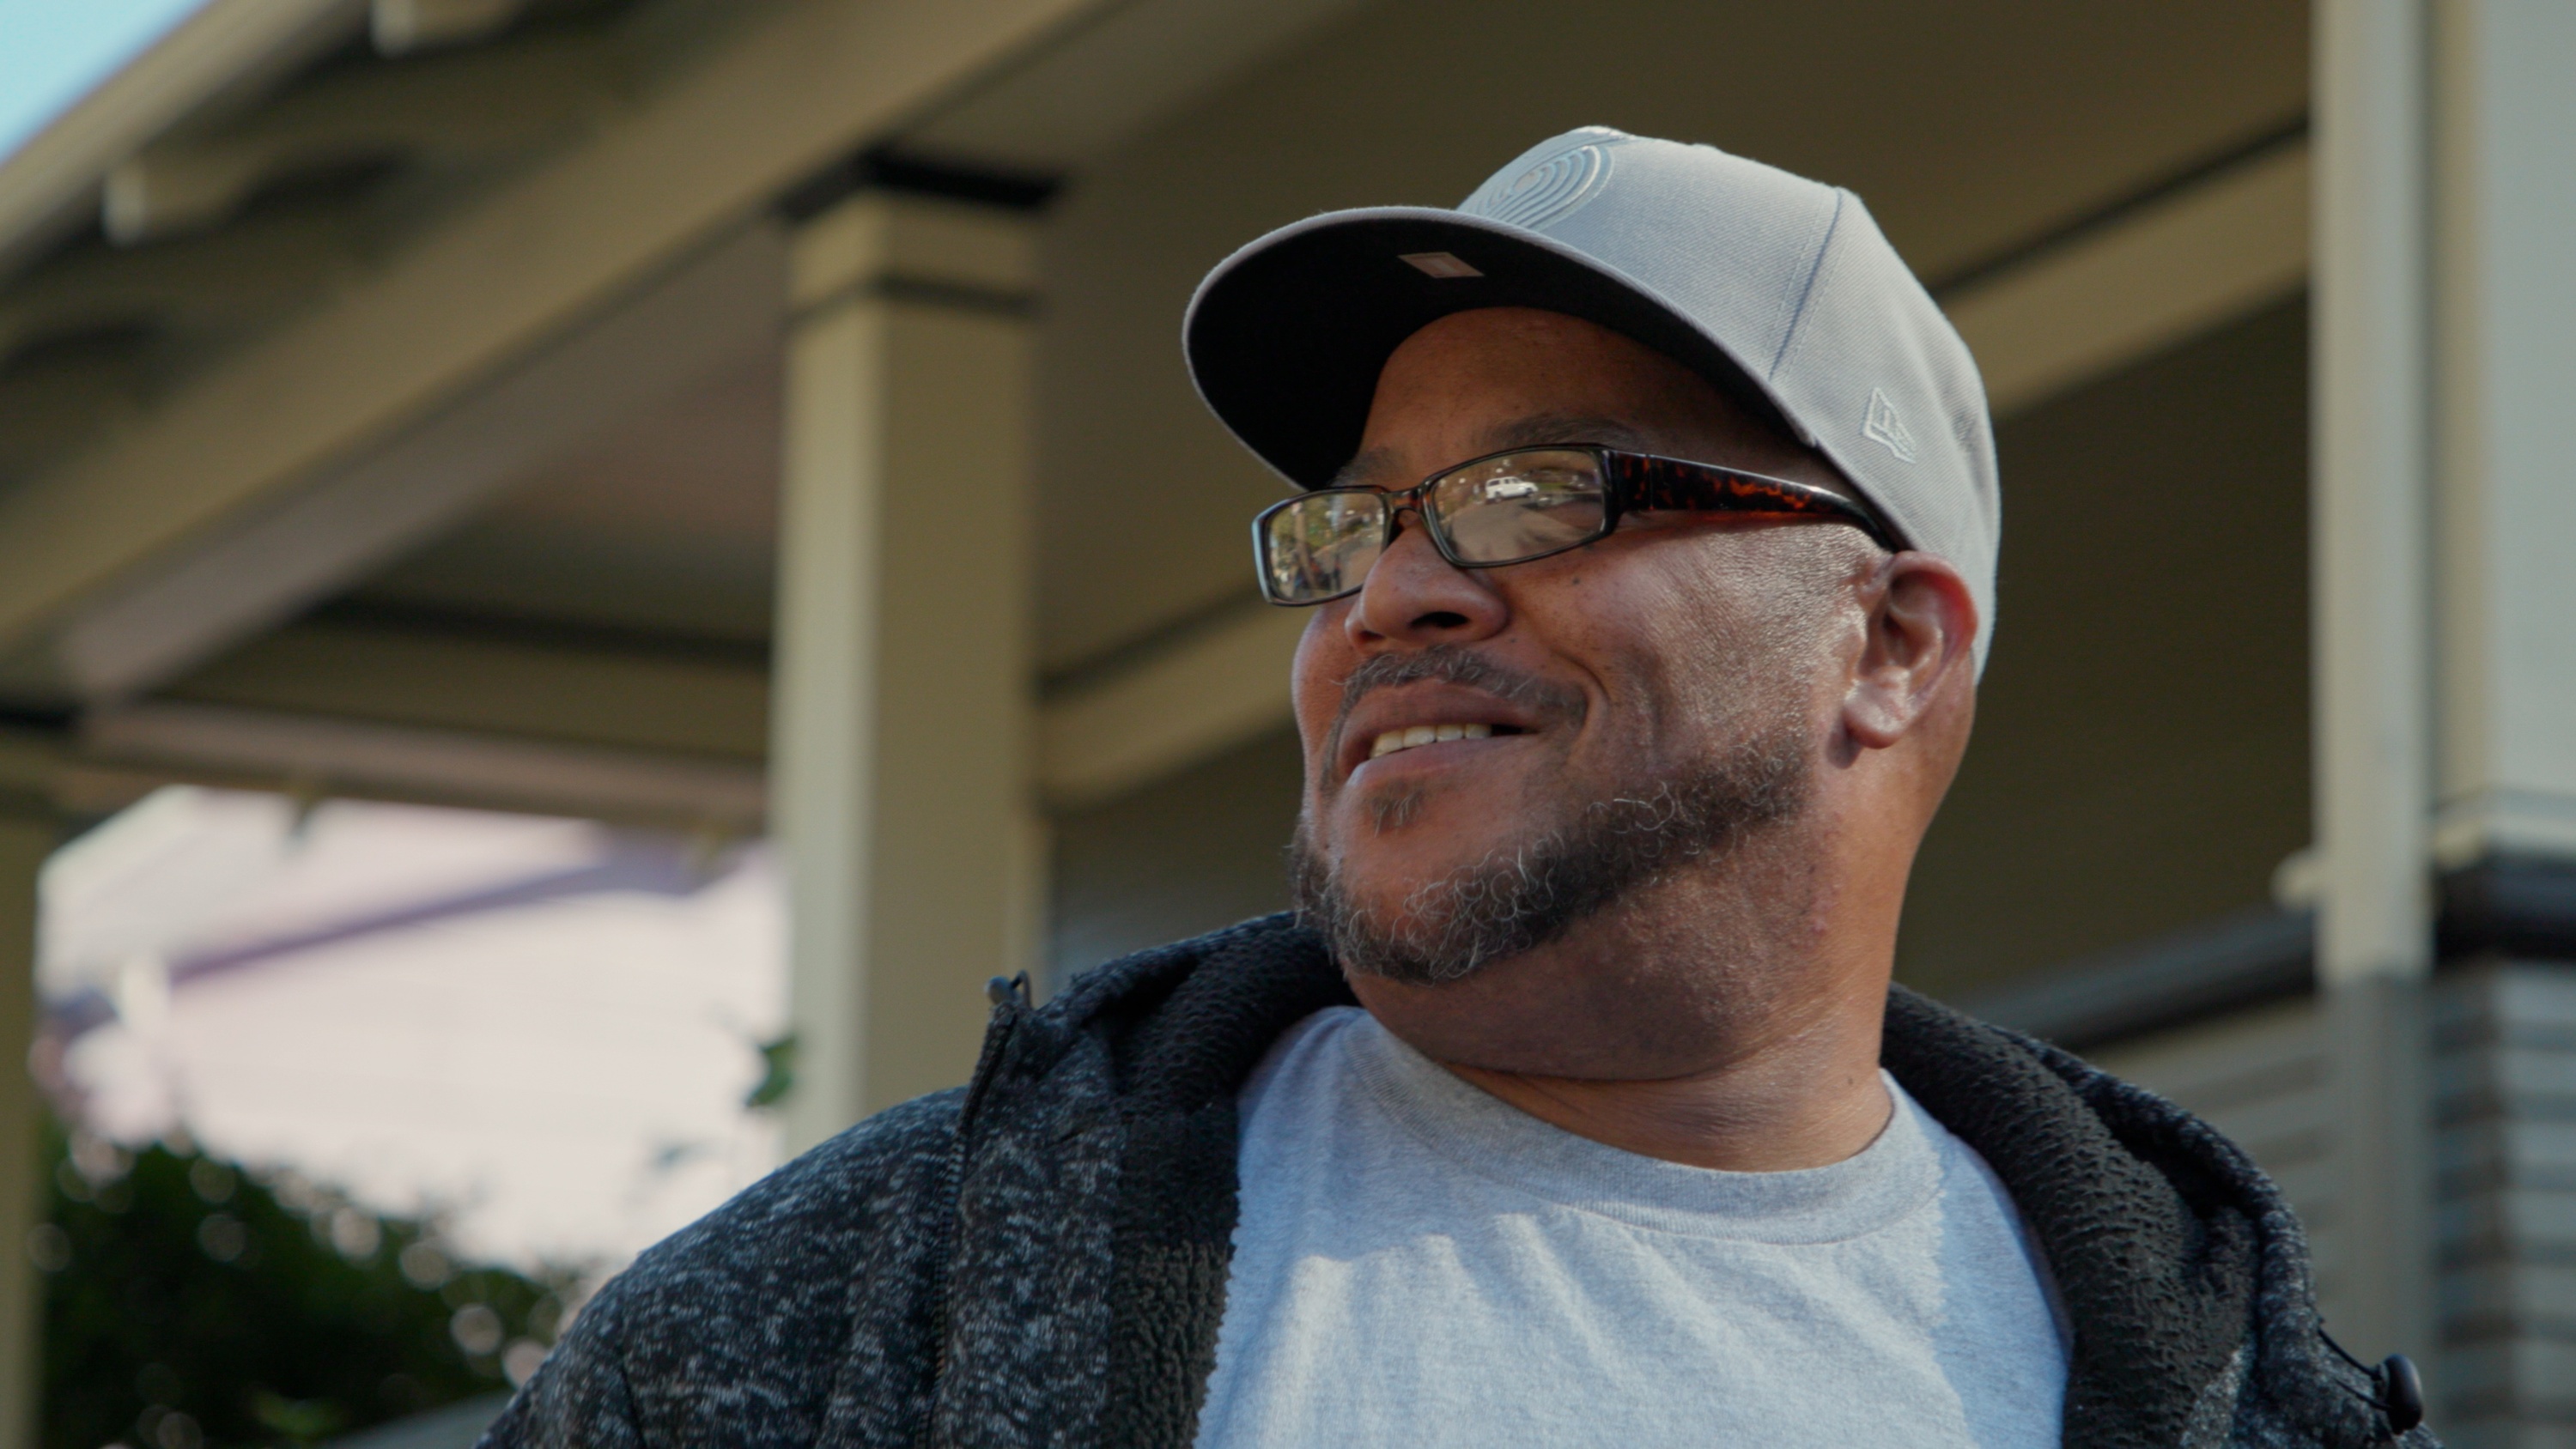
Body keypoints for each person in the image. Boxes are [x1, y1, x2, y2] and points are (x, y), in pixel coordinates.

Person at [486, 129, 2428, 1448]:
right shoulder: (847, 1316)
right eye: (1361, 520)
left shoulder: (2231, 1380)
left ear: (1892, 644)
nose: (1396, 590)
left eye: (1539, 487)